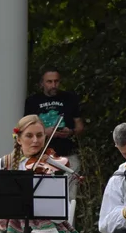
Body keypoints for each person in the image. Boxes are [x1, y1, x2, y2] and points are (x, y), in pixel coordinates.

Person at [24, 69, 84, 205]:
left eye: (56, 81)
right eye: (49, 82)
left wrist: (71, 132)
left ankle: (68, 224)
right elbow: (26, 128)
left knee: (70, 194)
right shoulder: (33, 101)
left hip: (67, 153)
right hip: (42, 155)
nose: (53, 85)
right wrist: (44, 132)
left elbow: (80, 126)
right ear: (42, 84)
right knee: (43, 193)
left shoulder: (70, 98)